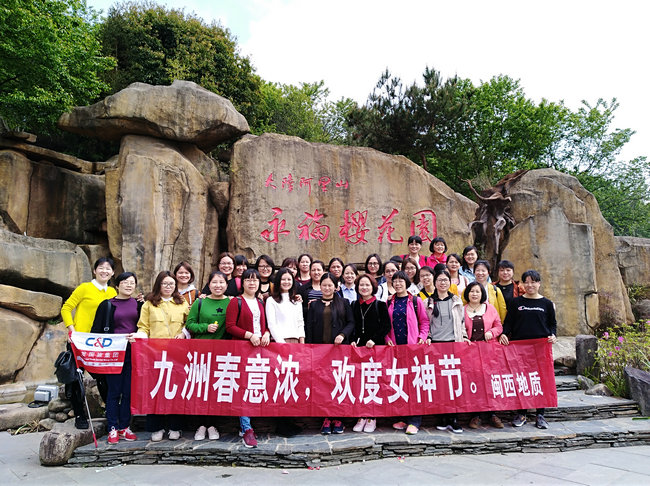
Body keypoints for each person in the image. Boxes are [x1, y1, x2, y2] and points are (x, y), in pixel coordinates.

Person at [61, 257, 116, 429]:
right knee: (75, 379)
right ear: (94, 270)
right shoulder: (84, 288)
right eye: (101, 268)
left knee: (104, 378)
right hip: (79, 341)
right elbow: (66, 308)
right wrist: (72, 330)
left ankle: (110, 412)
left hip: (101, 343)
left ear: (112, 273)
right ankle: (79, 414)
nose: (104, 271)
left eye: (108, 269)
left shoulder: (112, 292)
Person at [499, 270, 557, 429]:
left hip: (540, 348)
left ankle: (540, 415)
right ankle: (521, 413)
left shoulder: (546, 303)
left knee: (541, 380)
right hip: (520, 347)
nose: (530, 285)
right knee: (522, 380)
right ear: (523, 284)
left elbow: (552, 324)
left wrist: (553, 335)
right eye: (527, 282)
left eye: (533, 282)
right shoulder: (516, 302)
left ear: (539, 283)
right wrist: (504, 334)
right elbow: (508, 322)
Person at [135, 271, 189, 441]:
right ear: (158, 284)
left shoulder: (182, 302)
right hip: (155, 354)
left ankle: (175, 426)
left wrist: (184, 333)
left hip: (177, 353)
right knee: (155, 389)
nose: (168, 287)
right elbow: (143, 326)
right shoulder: (149, 304)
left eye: (171, 284)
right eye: (165, 283)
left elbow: (188, 323)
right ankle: (156, 427)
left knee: (176, 390)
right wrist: (139, 338)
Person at [91, 271, 141, 443]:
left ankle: (124, 427)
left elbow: (144, 327)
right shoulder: (107, 305)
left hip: (133, 353)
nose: (129, 285)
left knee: (128, 392)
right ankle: (112, 427)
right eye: (125, 282)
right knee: (113, 391)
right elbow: (96, 331)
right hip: (113, 354)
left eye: (132, 282)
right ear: (117, 285)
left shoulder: (139, 305)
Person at [225, 268, 270, 448]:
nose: (252, 283)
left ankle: (247, 425)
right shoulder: (236, 302)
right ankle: (246, 428)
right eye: (248, 280)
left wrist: (266, 333)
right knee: (243, 387)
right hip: (242, 350)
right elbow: (230, 326)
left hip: (259, 351)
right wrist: (249, 335)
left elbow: (264, 325)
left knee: (254, 385)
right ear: (242, 283)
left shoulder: (260, 302)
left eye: (255, 280)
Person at [305, 272, 355, 435]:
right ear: (320, 287)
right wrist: (310, 349)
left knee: (339, 383)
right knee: (323, 385)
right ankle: (326, 418)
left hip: (339, 351)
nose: (327, 288)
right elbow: (309, 328)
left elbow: (351, 323)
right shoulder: (314, 305)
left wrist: (342, 335)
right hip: (320, 352)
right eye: (324, 285)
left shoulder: (344, 303)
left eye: (330, 285)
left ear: (336, 287)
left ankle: (338, 418)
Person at [185, 270, 231, 441]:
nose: (218, 285)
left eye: (221, 282)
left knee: (216, 390)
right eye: (214, 282)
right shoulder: (200, 302)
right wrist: (205, 327)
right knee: (201, 389)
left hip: (222, 353)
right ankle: (201, 425)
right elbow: (190, 324)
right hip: (201, 352)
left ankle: (213, 425)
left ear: (226, 284)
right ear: (209, 285)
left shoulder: (232, 302)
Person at [386, 271, 430, 435]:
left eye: (401, 281)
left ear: (407, 283)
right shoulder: (389, 301)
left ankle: (415, 420)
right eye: (395, 281)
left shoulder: (416, 301)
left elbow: (424, 322)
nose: (397, 284)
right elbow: (385, 324)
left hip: (413, 349)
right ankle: (404, 417)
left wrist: (421, 337)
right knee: (400, 383)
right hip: (395, 349)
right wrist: (386, 338)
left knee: (414, 384)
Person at [426, 269, 468, 434]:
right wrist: (428, 337)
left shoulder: (456, 301)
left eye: (445, 280)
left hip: (453, 345)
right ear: (434, 283)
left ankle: (454, 418)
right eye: (440, 280)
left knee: (454, 383)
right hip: (436, 346)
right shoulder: (428, 302)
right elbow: (426, 323)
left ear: (450, 283)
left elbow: (462, 323)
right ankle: (442, 417)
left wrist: (464, 337)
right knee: (440, 384)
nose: (442, 283)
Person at [265, 267, 305, 437]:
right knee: (280, 384)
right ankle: (281, 424)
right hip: (279, 345)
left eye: (289, 279)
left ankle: (290, 421)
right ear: (278, 281)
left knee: (292, 383)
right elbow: (272, 324)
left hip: (295, 344)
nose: (286, 282)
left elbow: (300, 322)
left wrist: (302, 343)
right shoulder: (271, 301)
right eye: (283, 279)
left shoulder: (296, 301)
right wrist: (282, 345)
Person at [351, 274, 390, 433]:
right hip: (359, 349)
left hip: (375, 348)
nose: (364, 288)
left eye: (367, 285)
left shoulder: (380, 305)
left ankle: (372, 417)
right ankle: (360, 416)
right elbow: (352, 325)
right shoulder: (354, 304)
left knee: (373, 382)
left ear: (373, 287)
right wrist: (352, 340)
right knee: (359, 383)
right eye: (361, 285)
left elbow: (386, 326)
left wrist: (374, 339)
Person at [462, 282, 504, 430]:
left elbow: (499, 326)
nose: (474, 294)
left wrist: (491, 332)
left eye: (477, 292)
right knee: (475, 383)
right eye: (472, 291)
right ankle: (477, 415)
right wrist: (463, 337)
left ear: (482, 294)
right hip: (470, 353)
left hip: (489, 351)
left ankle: (492, 414)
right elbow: (459, 328)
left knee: (489, 382)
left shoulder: (490, 309)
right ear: (467, 293)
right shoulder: (462, 310)